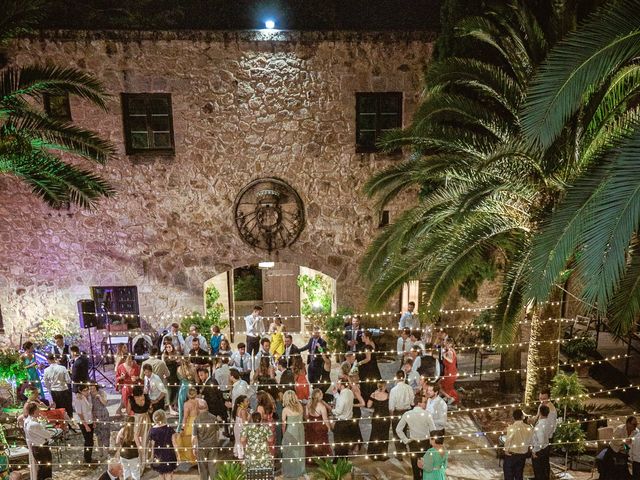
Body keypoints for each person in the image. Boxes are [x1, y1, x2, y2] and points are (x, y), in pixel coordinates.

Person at [396, 392, 437, 480]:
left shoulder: (407, 414)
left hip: (413, 443)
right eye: (424, 402)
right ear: (419, 403)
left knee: (415, 466)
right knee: (425, 466)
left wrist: (406, 440)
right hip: (425, 443)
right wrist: (432, 441)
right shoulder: (427, 414)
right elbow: (433, 430)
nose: (426, 404)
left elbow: (398, 429)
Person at [602, 416, 639, 480]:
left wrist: (625, 446)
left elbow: (630, 445)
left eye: (636, 424)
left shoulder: (636, 432)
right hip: (614, 449)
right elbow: (615, 441)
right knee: (609, 463)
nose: (635, 426)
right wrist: (624, 442)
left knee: (623, 467)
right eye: (633, 424)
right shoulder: (620, 429)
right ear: (627, 423)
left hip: (624, 451)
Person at [23, 402, 53, 480]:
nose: (39, 411)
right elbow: (47, 435)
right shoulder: (33, 424)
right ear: (34, 411)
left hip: (35, 447)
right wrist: (43, 423)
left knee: (42, 467)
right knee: (45, 468)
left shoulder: (26, 421)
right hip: (41, 448)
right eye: (38, 409)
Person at [191, 398, 219, 480]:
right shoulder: (214, 418)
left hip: (202, 446)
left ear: (198, 408)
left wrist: (194, 448)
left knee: (202, 467)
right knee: (213, 465)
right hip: (213, 445)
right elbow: (218, 432)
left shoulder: (196, 420)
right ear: (207, 407)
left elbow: (194, 437)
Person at [390, 370, 414, 455]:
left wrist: (391, 416)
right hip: (407, 411)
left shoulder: (393, 390)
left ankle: (400, 452)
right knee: (406, 431)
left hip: (398, 412)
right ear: (404, 377)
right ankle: (408, 449)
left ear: (396, 378)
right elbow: (412, 402)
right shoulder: (409, 388)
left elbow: (391, 406)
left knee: (397, 432)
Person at [281, 390, 306, 478]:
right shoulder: (300, 405)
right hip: (300, 428)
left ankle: (292, 469)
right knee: (300, 448)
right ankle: (300, 468)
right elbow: (303, 416)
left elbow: (283, 425)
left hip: (291, 430)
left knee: (291, 450)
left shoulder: (285, 410)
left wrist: (284, 435)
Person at [503, 409, 533, 480]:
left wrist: (506, 450)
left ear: (513, 417)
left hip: (512, 454)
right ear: (522, 417)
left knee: (508, 475)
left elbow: (508, 440)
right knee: (519, 475)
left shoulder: (512, 427)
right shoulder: (529, 428)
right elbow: (531, 440)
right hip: (522, 455)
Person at [149, 409, 178, 480]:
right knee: (169, 473)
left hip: (158, 455)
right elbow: (174, 443)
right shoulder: (169, 429)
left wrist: (152, 457)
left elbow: (152, 446)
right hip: (169, 454)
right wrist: (178, 455)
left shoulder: (152, 430)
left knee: (161, 473)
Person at [304, 388, 332, 461]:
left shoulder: (308, 404)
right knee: (321, 443)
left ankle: (313, 459)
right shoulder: (322, 406)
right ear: (319, 396)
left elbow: (306, 416)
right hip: (319, 426)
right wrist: (329, 427)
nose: (323, 394)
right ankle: (321, 459)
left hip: (311, 426)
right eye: (321, 393)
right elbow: (325, 419)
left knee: (312, 442)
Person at [128, 385, 151, 469]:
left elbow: (128, 411)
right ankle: (146, 460)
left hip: (137, 419)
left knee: (136, 438)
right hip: (146, 419)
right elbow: (150, 408)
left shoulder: (131, 399)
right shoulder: (146, 397)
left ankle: (138, 461)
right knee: (146, 439)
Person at [367, 381, 390, 461]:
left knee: (375, 434)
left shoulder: (373, 394)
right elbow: (390, 407)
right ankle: (383, 455)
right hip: (385, 417)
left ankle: (373, 454)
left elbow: (368, 405)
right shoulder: (388, 395)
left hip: (376, 417)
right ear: (385, 387)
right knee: (384, 435)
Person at [332, 379, 354, 459]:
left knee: (338, 442)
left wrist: (331, 410)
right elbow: (342, 401)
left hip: (341, 422)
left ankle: (338, 459)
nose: (336, 385)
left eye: (338, 383)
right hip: (349, 421)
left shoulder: (342, 396)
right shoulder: (350, 392)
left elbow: (338, 411)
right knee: (345, 442)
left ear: (342, 385)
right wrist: (335, 394)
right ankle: (345, 458)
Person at [176, 387, 198, 468]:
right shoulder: (197, 402)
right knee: (196, 441)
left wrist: (182, 428)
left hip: (190, 423)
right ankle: (196, 459)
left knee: (188, 441)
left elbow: (185, 417)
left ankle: (192, 460)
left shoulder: (187, 404)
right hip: (197, 421)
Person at [531, 404, 553, 480]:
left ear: (540, 413)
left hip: (540, 450)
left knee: (539, 471)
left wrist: (534, 451)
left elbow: (540, 442)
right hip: (546, 447)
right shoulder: (548, 422)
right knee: (545, 468)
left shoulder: (540, 425)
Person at [74, 384, 95, 465]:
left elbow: (90, 409)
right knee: (88, 441)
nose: (87, 392)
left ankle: (89, 458)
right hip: (83, 422)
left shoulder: (88, 397)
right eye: (85, 390)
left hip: (90, 420)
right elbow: (80, 413)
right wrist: (85, 425)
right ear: (80, 391)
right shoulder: (78, 399)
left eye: (87, 389)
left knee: (90, 441)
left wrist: (93, 421)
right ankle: (87, 459)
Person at [359, 330, 382, 402]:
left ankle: (369, 399)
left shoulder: (367, 347)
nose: (361, 338)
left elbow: (368, 358)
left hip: (368, 369)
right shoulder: (372, 344)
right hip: (373, 367)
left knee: (368, 384)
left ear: (367, 337)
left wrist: (359, 363)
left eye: (363, 336)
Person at [116, 416, 141, 480]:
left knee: (125, 470)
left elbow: (117, 441)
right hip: (133, 456)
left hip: (123, 455)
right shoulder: (134, 433)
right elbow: (139, 446)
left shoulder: (122, 430)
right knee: (135, 472)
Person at [89, 383, 111, 456]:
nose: (91, 390)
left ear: (96, 387)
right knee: (98, 435)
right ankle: (100, 451)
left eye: (93, 388)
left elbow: (105, 403)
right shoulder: (88, 395)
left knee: (106, 433)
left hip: (104, 414)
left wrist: (99, 397)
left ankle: (106, 451)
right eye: (90, 388)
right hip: (95, 416)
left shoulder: (101, 392)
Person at [255, 390, 277, 457]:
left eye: (257, 398)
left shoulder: (260, 407)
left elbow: (259, 419)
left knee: (264, 445)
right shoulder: (271, 405)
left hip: (264, 427)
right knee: (272, 444)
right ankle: (272, 462)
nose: (256, 399)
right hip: (271, 425)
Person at [176, 360, 195, 432]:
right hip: (191, 390)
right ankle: (190, 428)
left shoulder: (179, 369)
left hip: (183, 390)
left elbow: (179, 379)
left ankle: (180, 428)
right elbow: (197, 380)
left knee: (181, 410)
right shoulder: (193, 369)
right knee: (191, 409)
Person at [162, 341, 180, 415]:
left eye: (170, 347)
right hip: (167, 375)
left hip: (175, 374)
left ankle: (175, 405)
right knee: (168, 391)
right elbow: (163, 365)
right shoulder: (164, 355)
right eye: (167, 347)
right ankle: (170, 408)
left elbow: (179, 362)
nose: (168, 348)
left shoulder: (176, 354)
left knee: (175, 390)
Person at [440, 338, 458, 405]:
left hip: (450, 373)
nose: (445, 344)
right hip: (449, 372)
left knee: (442, 386)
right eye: (445, 343)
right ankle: (448, 397)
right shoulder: (451, 350)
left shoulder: (450, 351)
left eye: (447, 343)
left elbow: (451, 361)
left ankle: (450, 397)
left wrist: (444, 356)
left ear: (450, 344)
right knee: (447, 386)